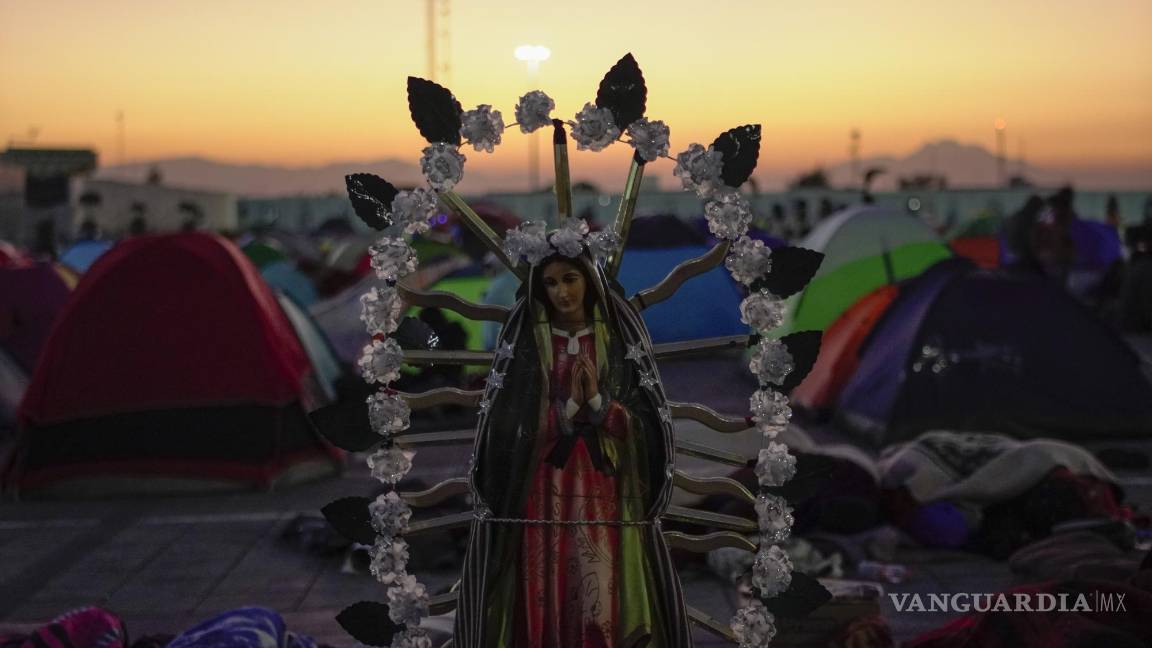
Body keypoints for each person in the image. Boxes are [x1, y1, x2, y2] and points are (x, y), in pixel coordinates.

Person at [454, 250, 692, 647]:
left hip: (603, 485)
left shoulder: (613, 341)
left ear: (589, 282)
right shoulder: (532, 343)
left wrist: (599, 405)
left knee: (597, 579)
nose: (562, 291)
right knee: (546, 576)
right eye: (550, 282)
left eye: (570, 279)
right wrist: (565, 410)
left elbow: (643, 420)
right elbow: (510, 420)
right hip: (543, 483)